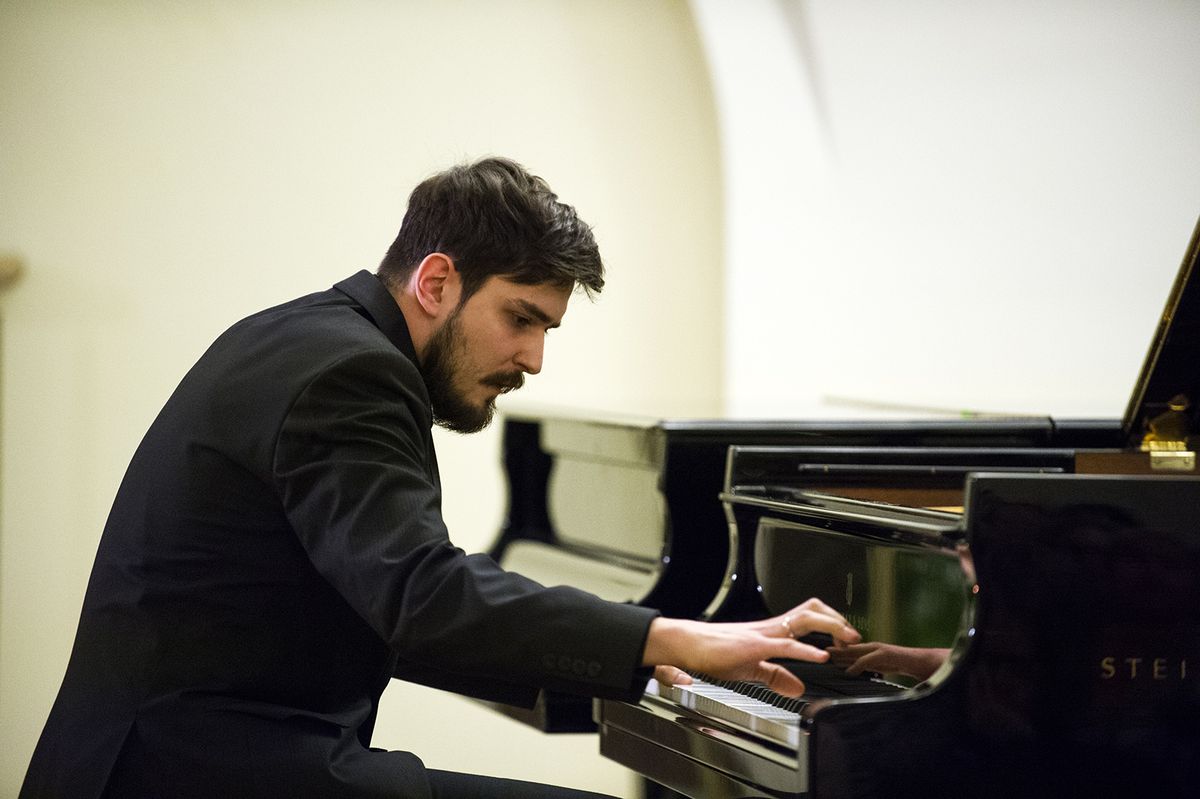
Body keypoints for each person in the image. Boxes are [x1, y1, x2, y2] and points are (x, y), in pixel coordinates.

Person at [21, 157, 860, 799]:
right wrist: (667, 637)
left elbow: (396, 611)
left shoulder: (314, 339)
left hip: (194, 755)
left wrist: (630, 663)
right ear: (435, 281)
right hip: (196, 767)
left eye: (547, 328)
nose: (533, 357)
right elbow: (423, 597)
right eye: (520, 318)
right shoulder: (351, 373)